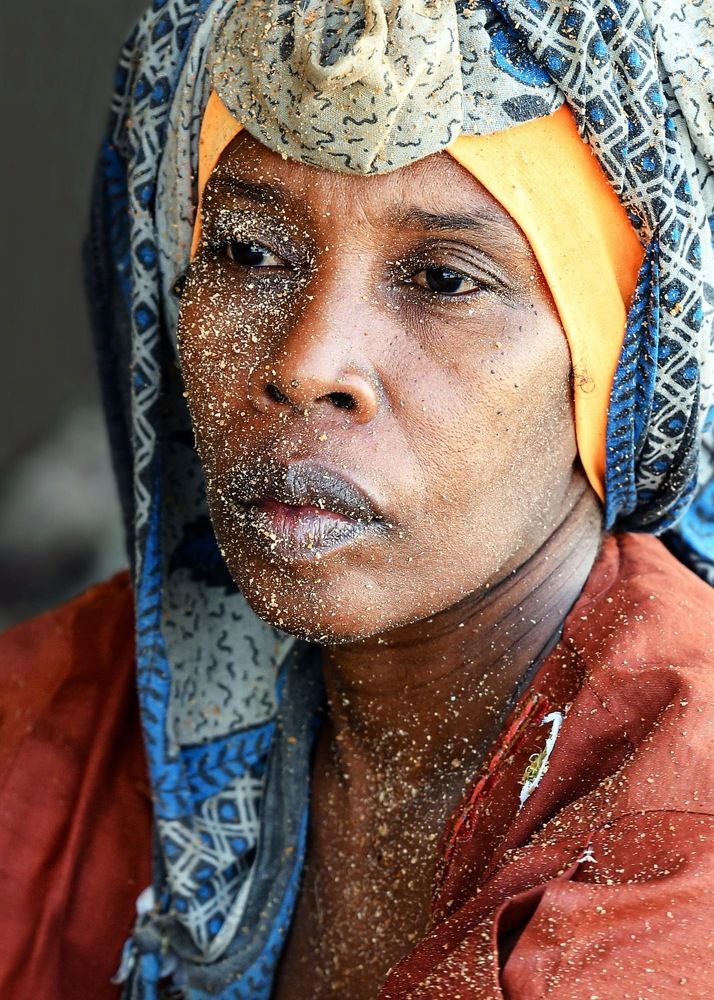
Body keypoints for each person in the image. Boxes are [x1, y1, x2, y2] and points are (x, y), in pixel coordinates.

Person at [0, 1, 712, 998]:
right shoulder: (52, 728)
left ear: (611, 363)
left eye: (441, 278)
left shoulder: (685, 828)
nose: (307, 363)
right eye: (246, 252)